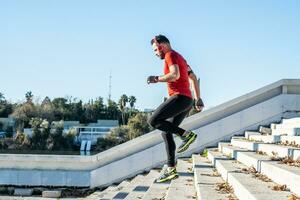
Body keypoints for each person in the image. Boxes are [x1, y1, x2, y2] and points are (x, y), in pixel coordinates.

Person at [147, 34, 204, 183]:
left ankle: (185, 135)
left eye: (155, 50)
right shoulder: (181, 58)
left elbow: (174, 75)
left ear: (162, 46)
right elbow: (193, 77)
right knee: (166, 132)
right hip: (187, 101)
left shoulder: (170, 55)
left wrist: (156, 79)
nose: (155, 53)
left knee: (153, 120)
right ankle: (171, 169)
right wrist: (198, 98)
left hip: (179, 98)